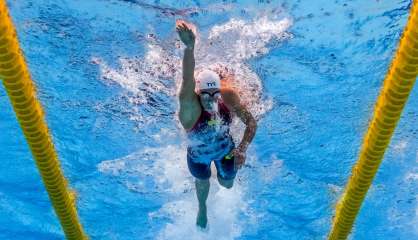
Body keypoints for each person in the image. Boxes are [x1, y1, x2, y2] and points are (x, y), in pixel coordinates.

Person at [176, 20, 257, 229]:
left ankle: (223, 172)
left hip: (226, 151)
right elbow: (187, 80)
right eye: (206, 95)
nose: (211, 100)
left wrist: (242, 149)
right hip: (198, 157)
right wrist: (189, 48)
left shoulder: (227, 96)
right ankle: (202, 208)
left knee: (227, 184)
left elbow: (251, 122)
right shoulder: (190, 109)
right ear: (197, 93)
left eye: (215, 94)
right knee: (203, 182)